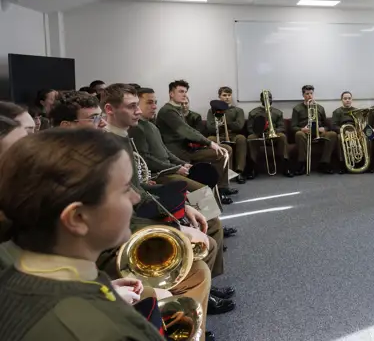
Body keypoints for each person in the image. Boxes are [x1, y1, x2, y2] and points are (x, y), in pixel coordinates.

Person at [0, 128, 166, 341]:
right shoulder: (106, 332)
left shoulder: (14, 280)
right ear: (77, 218)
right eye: (125, 189)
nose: (135, 198)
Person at [100, 84, 235, 323]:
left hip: (155, 183)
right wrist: (173, 217)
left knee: (205, 210)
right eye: (141, 104)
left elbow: (153, 163)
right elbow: (147, 166)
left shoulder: (137, 130)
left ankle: (208, 285)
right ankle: (195, 296)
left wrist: (178, 166)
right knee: (200, 194)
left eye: (150, 102)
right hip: (158, 180)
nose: (145, 108)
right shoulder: (113, 141)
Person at [131, 87, 234, 278]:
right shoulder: (136, 128)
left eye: (155, 102)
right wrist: (174, 168)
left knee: (203, 189)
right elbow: (147, 159)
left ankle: (214, 236)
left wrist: (180, 163)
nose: (154, 106)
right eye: (149, 102)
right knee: (201, 190)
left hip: (170, 168)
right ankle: (212, 233)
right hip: (160, 175)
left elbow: (164, 152)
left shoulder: (151, 125)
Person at [156, 80, 237, 197]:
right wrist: (209, 143)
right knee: (221, 151)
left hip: (187, 148)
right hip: (176, 151)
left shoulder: (177, 109)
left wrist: (203, 143)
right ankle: (215, 192)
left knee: (225, 150)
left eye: (185, 92)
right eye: (181, 91)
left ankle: (222, 187)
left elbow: (189, 131)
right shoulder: (167, 111)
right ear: (171, 94)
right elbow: (185, 130)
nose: (184, 94)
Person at [291, 84, 339, 175]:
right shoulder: (297, 109)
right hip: (305, 133)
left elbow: (327, 125)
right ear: (303, 95)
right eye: (307, 94)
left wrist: (324, 129)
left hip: (319, 132)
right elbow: (293, 126)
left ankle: (324, 163)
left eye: (311, 93)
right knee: (298, 134)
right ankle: (302, 163)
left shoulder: (320, 108)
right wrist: (302, 129)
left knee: (332, 134)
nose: (309, 96)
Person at [206, 87, 248, 184]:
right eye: (224, 95)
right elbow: (210, 127)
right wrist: (227, 125)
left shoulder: (238, 110)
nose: (227, 97)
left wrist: (225, 124)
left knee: (241, 138)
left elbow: (239, 126)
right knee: (210, 139)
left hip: (233, 135)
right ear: (219, 97)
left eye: (229, 95)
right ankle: (220, 172)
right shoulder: (212, 111)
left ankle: (239, 171)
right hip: (218, 135)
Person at [247, 90, 294, 177]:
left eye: (270, 98)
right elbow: (250, 128)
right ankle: (253, 168)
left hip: (274, 135)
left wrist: (273, 131)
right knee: (251, 137)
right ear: (261, 100)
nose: (268, 100)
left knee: (282, 136)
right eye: (265, 98)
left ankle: (286, 166)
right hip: (260, 136)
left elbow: (282, 127)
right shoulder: (253, 113)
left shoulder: (278, 112)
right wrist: (259, 132)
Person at [331, 91, 369, 173]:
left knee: (366, 137)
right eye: (345, 98)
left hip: (355, 131)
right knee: (339, 138)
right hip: (343, 132)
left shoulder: (357, 111)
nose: (347, 100)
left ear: (352, 99)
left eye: (349, 98)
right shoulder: (337, 111)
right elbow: (333, 126)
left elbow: (361, 123)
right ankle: (342, 164)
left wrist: (361, 131)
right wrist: (344, 131)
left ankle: (365, 163)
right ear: (341, 100)